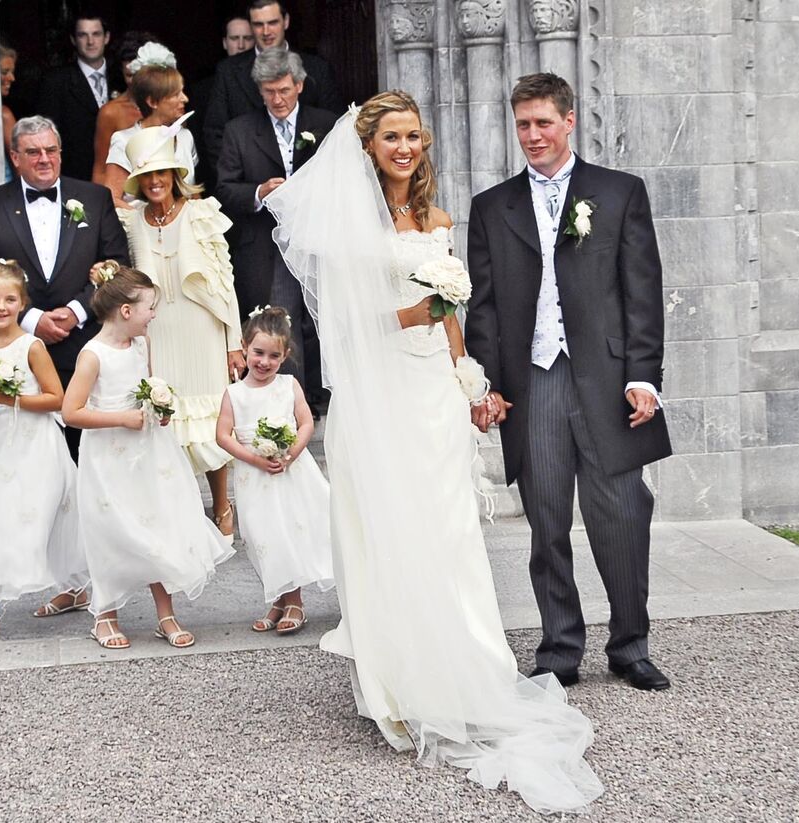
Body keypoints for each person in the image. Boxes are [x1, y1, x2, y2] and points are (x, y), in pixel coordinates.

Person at [264, 92, 603, 814]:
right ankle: (401, 685)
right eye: (391, 136)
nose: (405, 147)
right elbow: (344, 330)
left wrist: (469, 383)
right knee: (394, 533)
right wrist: (414, 313)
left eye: (414, 135)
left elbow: (453, 321)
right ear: (369, 145)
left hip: (433, 393)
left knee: (450, 533)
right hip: (378, 394)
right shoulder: (351, 229)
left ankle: (468, 668)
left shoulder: (440, 220)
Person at [465, 73, 674, 691]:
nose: (533, 135)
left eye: (543, 123)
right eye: (523, 124)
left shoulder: (619, 192)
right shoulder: (491, 206)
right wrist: (490, 384)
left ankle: (630, 645)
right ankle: (560, 647)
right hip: (535, 382)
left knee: (621, 517)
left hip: (608, 383)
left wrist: (644, 377)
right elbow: (484, 307)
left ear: (569, 121)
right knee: (547, 522)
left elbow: (643, 293)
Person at [0, 114, 129, 618]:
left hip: (88, 347)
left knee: (91, 469)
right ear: (15, 157)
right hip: (25, 346)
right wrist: (33, 317)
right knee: (43, 479)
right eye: (33, 152)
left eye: (52, 150)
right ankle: (67, 579)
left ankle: (95, 581)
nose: (44, 160)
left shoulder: (96, 198)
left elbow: (115, 261)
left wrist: (79, 309)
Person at [61, 267, 235, 649]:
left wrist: (161, 408)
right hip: (109, 457)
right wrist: (121, 418)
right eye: (150, 307)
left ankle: (165, 613)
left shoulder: (142, 344)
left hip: (150, 450)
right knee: (112, 529)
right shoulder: (93, 356)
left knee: (157, 523)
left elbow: (148, 385)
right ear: (126, 311)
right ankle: (104, 614)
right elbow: (71, 412)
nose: (154, 314)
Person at [0, 261, 87, 646]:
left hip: (40, 447)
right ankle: (76, 588)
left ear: (22, 303)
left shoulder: (32, 345)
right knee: (20, 520)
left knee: (20, 521)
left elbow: (56, 398)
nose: (1, 306)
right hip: (8, 449)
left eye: (10, 299)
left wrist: (11, 398)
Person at [113, 124, 243, 537]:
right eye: (147, 176)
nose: (155, 182)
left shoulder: (202, 212)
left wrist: (233, 342)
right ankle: (182, 512)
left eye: (162, 173)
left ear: (175, 175)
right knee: (169, 421)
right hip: (156, 331)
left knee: (208, 419)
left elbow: (225, 281)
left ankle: (222, 507)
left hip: (202, 326)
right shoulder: (130, 221)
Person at [215, 49, 335, 411]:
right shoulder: (239, 130)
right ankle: (293, 404)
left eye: (284, 90)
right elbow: (223, 187)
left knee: (325, 318)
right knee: (283, 320)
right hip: (269, 243)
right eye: (269, 92)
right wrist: (258, 192)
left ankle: (330, 397)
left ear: (299, 85)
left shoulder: (326, 124)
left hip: (321, 240)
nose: (277, 99)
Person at [216, 307, 333, 635]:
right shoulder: (234, 394)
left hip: (289, 474)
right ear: (244, 346)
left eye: (273, 356)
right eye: (258, 353)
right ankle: (280, 600)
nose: (264, 362)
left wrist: (292, 453)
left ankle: (294, 600)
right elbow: (223, 435)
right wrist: (253, 458)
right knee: (264, 536)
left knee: (287, 531)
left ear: (285, 355)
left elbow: (306, 421)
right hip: (254, 477)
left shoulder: (288, 385)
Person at [201, 0, 342, 163]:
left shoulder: (317, 68)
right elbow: (214, 134)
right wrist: (247, 182)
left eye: (273, 23)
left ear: (286, 21)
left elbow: (334, 127)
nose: (266, 31)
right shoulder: (228, 71)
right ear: (251, 26)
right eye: (258, 25)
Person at [104, 46, 198, 207]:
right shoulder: (124, 141)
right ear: (152, 102)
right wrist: (150, 227)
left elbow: (192, 194)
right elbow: (112, 199)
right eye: (176, 94)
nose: (185, 99)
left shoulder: (185, 136)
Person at [37, 13, 121, 182]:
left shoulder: (121, 76)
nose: (90, 42)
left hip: (123, 174)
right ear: (74, 40)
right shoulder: (55, 81)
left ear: (107, 37)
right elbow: (47, 133)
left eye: (96, 34)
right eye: (83, 35)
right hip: (77, 177)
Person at [189, 16, 256, 187]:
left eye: (247, 38)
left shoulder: (264, 84)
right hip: (219, 179)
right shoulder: (201, 90)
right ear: (225, 43)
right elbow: (203, 139)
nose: (241, 45)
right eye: (234, 38)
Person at [91, 31, 160, 187]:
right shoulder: (111, 113)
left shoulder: (170, 106)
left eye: (139, 74)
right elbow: (101, 171)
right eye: (129, 75)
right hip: (126, 198)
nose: (136, 82)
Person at [0, 44, 17, 182]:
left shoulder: (4, 114)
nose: (11, 78)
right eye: (5, 72)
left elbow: (19, 162)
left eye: (12, 71)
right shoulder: (3, 114)